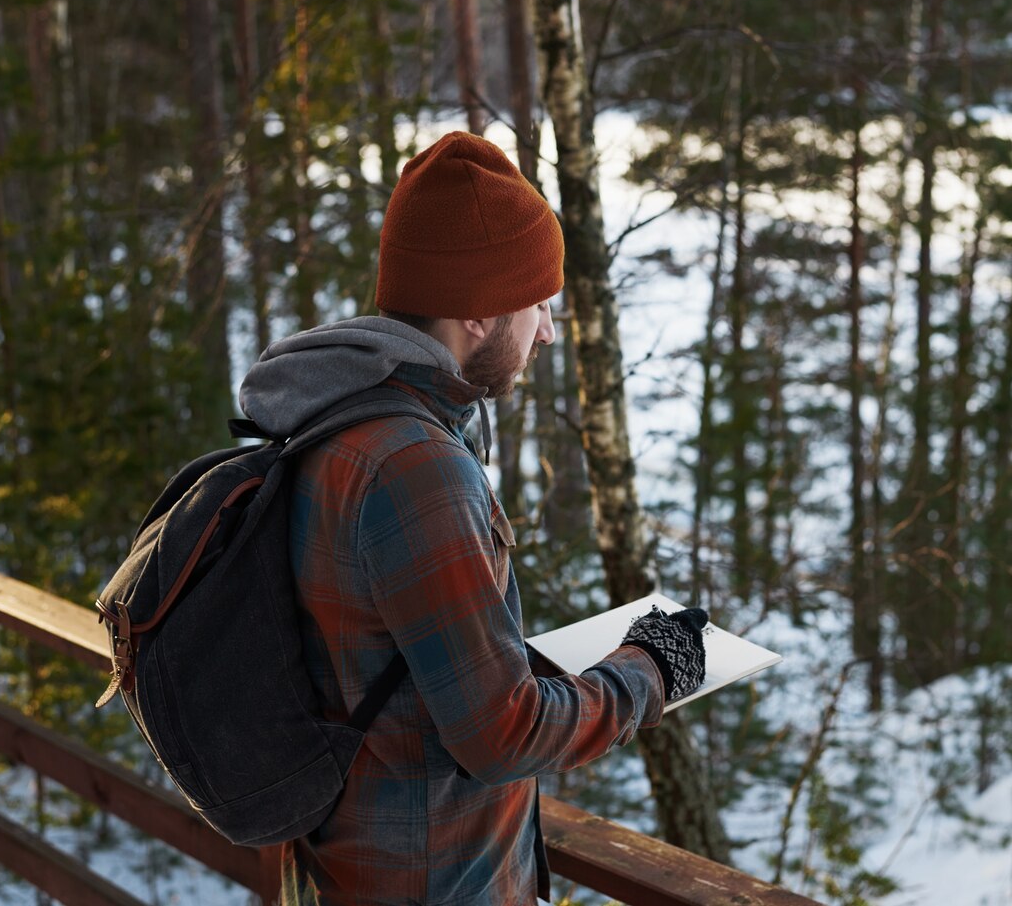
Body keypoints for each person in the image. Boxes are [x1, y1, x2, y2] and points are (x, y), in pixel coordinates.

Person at [238, 131, 709, 905]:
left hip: (347, 869)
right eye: (539, 304)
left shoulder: (337, 422)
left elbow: (388, 657)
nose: (549, 330)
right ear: (483, 313)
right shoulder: (412, 464)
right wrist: (651, 670)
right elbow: (504, 735)